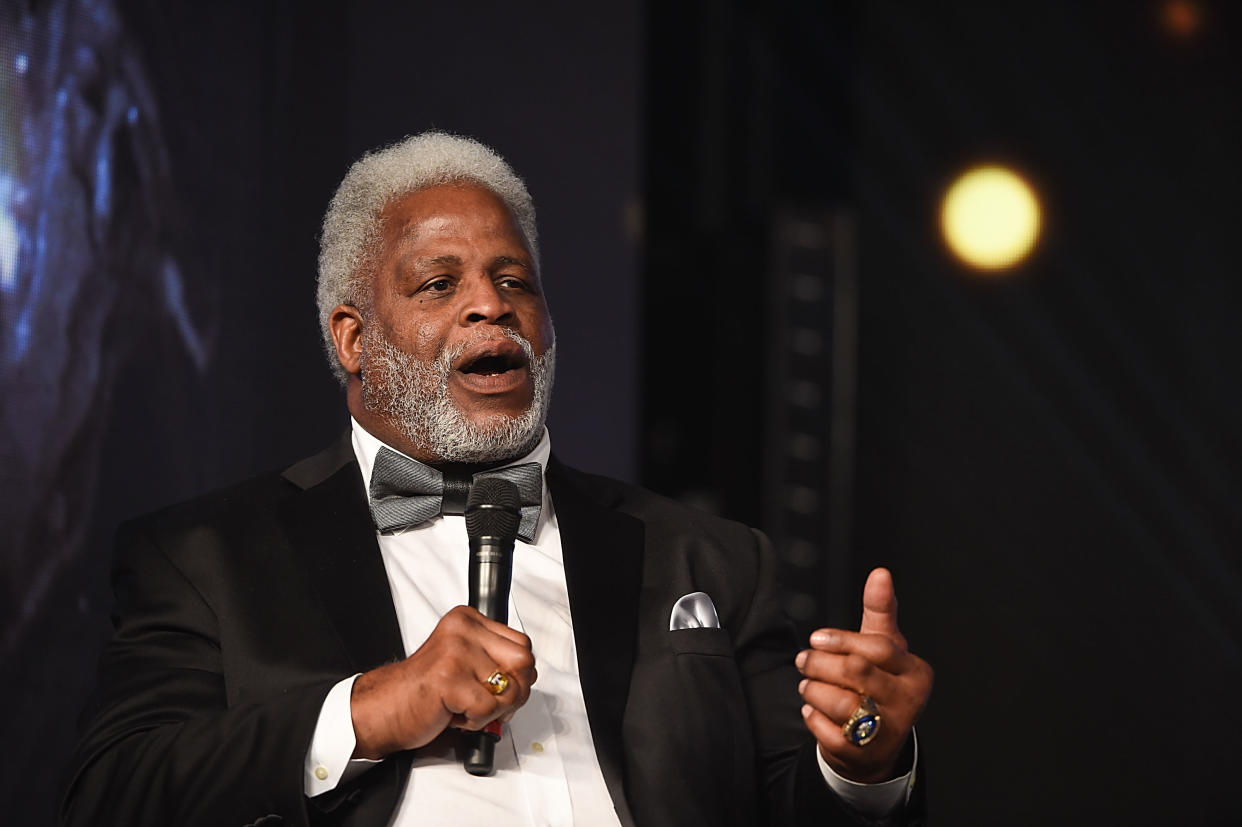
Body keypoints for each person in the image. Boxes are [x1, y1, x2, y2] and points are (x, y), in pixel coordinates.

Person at [61, 132, 933, 826]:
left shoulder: (709, 558)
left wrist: (863, 759)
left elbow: (796, 803)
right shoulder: (202, 557)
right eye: (440, 283)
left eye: (514, 279)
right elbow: (114, 793)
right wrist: (369, 709)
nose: (493, 304)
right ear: (354, 339)